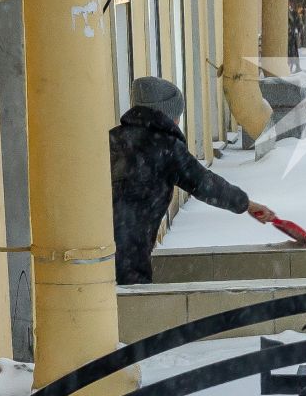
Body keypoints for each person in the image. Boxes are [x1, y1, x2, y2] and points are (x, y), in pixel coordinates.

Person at [110, 76, 274, 284]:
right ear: (166, 114)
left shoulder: (112, 139)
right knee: (134, 305)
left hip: (96, 245)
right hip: (131, 251)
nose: (178, 121)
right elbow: (206, 184)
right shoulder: (166, 147)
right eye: (177, 115)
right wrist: (247, 204)